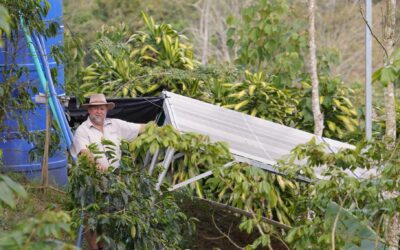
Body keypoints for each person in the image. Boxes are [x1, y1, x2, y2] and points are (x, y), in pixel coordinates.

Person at [71, 93, 146, 250]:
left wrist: (158, 128)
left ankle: (103, 245)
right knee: (90, 215)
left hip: (113, 178)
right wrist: (97, 165)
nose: (99, 111)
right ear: (89, 111)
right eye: (96, 108)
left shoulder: (115, 125)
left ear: (106, 110)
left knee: (107, 214)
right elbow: (85, 153)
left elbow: (139, 128)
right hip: (90, 179)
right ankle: (93, 247)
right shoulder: (83, 131)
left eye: (102, 108)